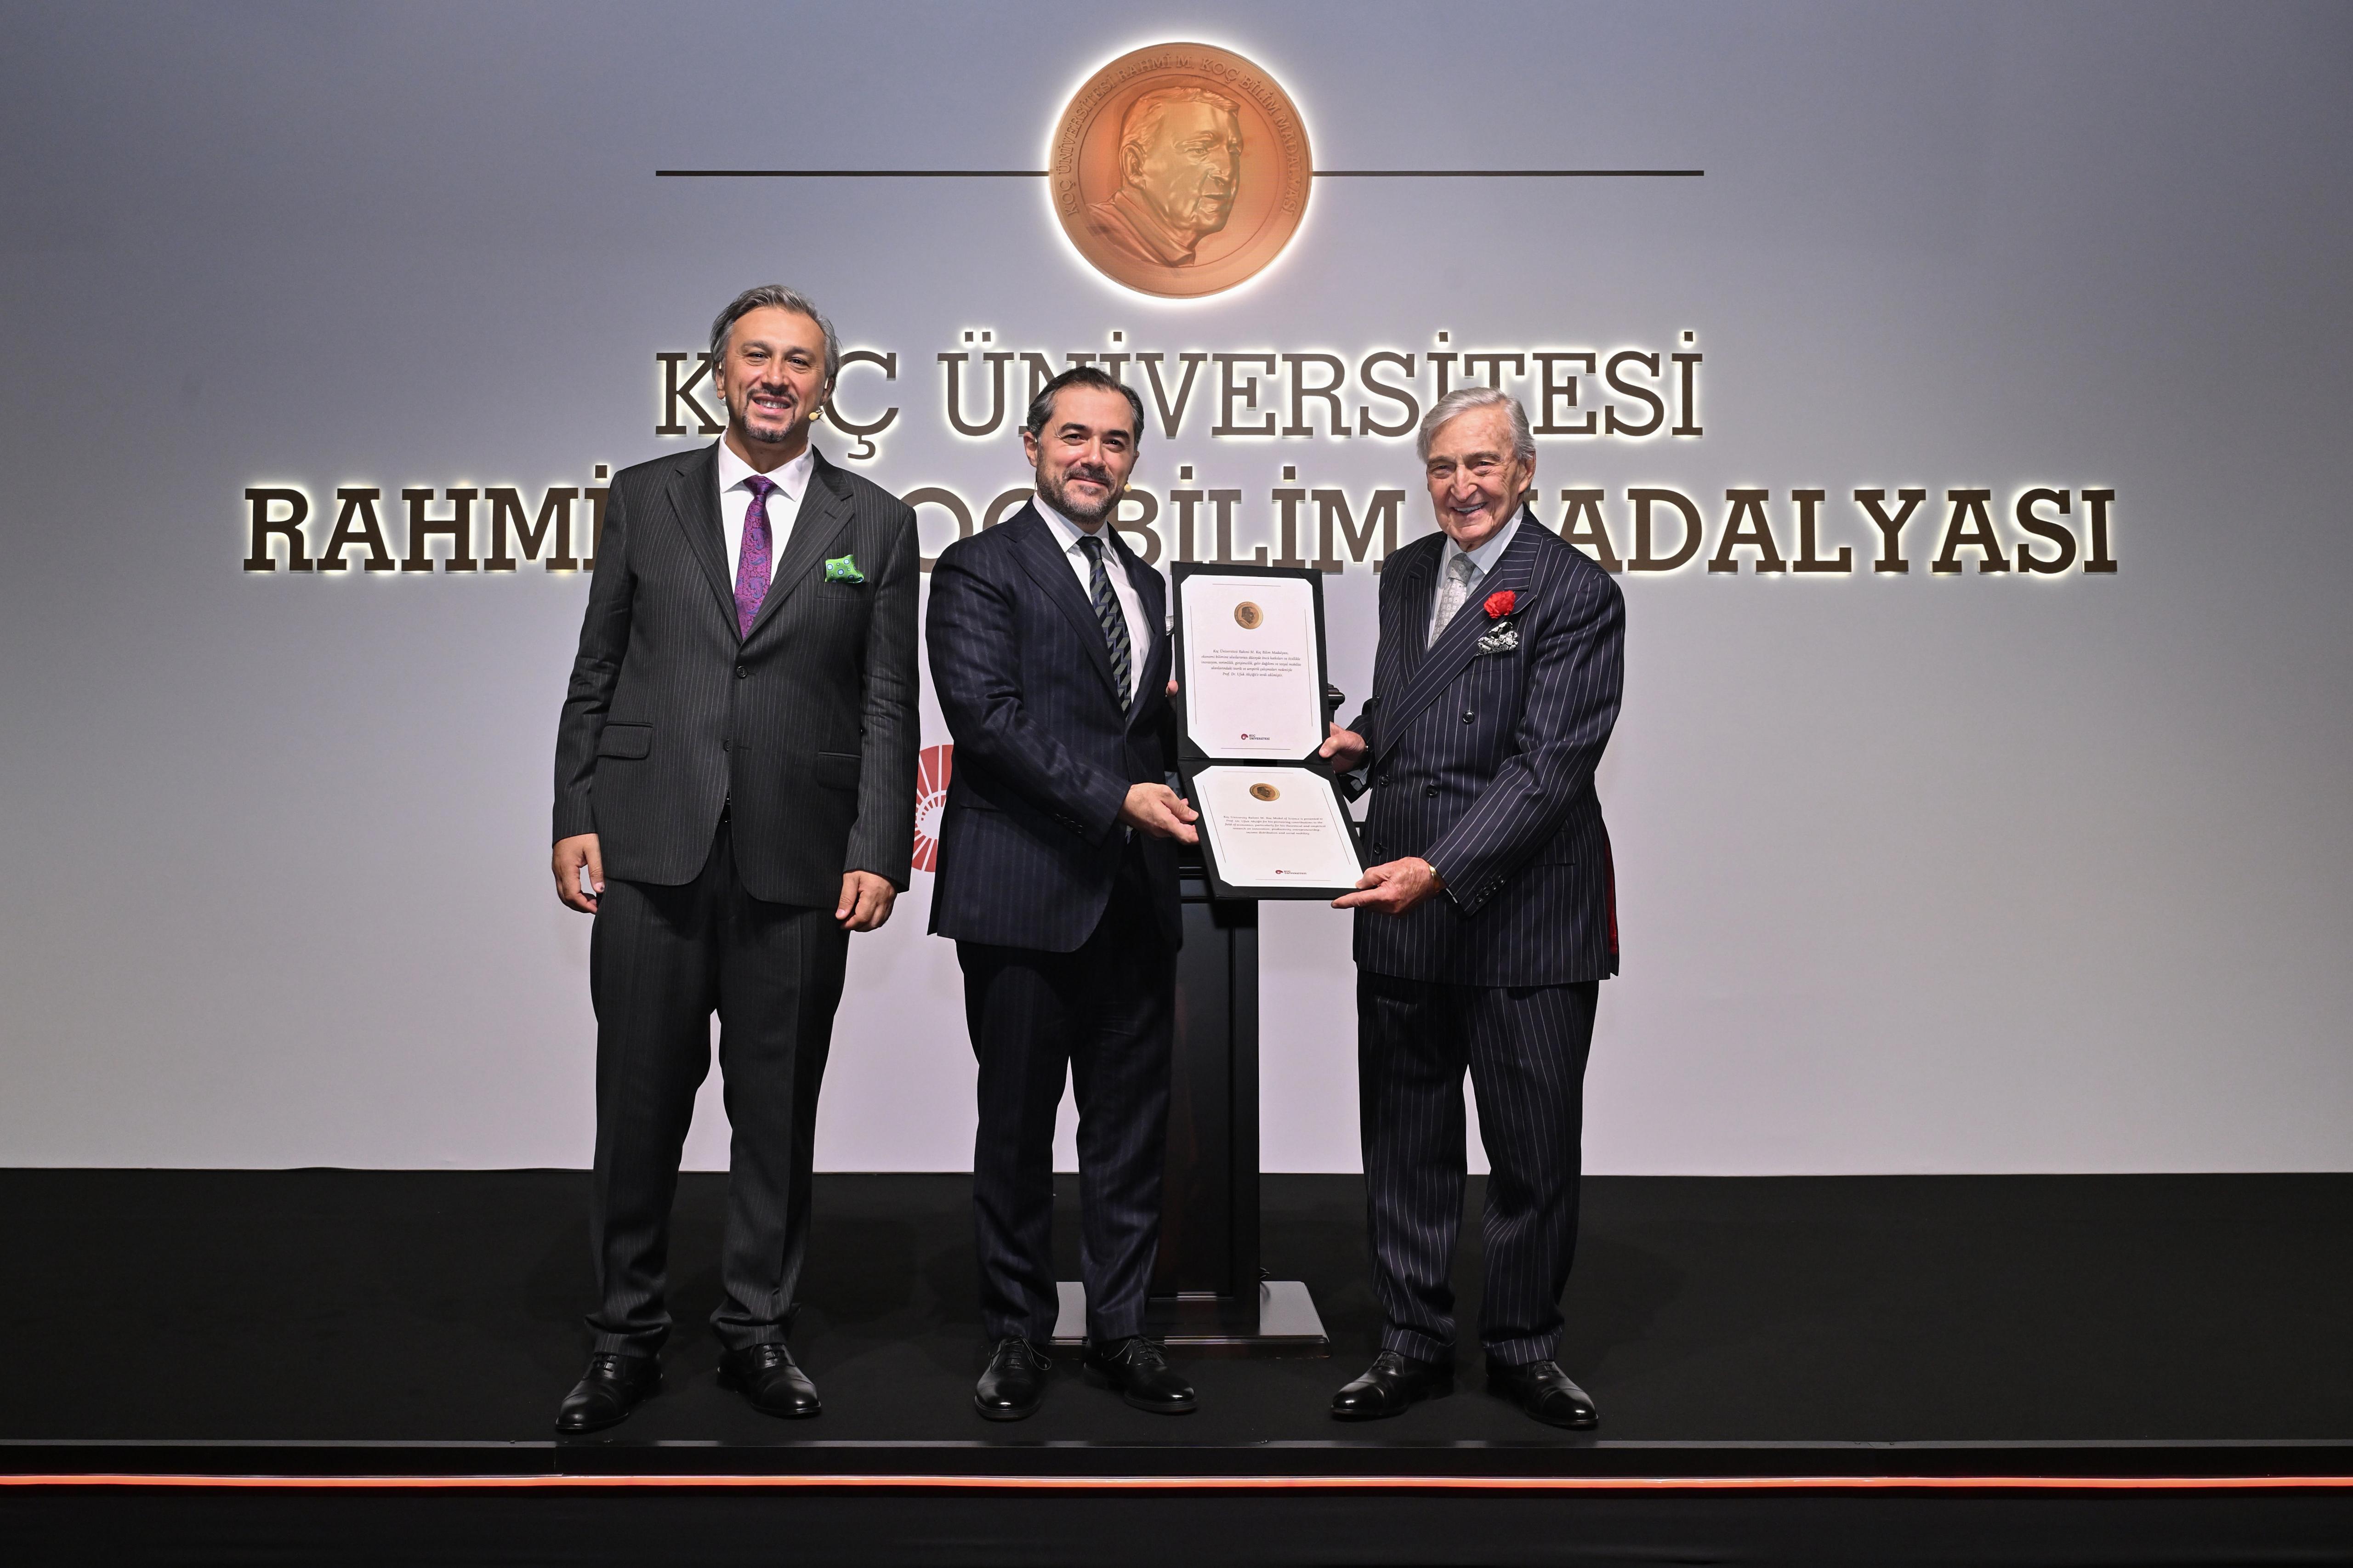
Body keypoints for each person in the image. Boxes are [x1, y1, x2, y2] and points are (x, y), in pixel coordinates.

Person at [546, 284, 919, 1433]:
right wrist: (573, 808)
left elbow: (887, 700)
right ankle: (624, 1337)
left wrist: (879, 845)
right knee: (637, 1109)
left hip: (799, 859)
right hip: (651, 841)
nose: (775, 377)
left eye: (798, 361)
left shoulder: (876, 522)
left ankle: (757, 1329)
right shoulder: (644, 496)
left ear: (826, 386)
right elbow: (598, 663)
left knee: (776, 1113)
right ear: (717, 373)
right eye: (756, 355)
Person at [1318, 386, 1625, 1430]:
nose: (1462, 486)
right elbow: (1405, 707)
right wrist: (1359, 742)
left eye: (1482, 464)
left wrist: (1440, 867)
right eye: (1443, 467)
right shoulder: (1406, 573)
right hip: (1402, 901)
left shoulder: (1575, 589)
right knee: (1405, 1140)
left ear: (1525, 471)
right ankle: (1409, 1341)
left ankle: (1524, 1348)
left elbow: (1551, 767)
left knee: (1532, 1151)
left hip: (1525, 910)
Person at [925, 366, 1199, 1421]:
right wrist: (1117, 797)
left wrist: (1285, 734)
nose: (1094, 456)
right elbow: (987, 718)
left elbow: (1155, 726)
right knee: (1016, 1126)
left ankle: (1122, 1329)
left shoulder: (1148, 582)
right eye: (1074, 435)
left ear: (1133, 459)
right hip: (1021, 890)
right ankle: (1016, 1330)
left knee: (1129, 1132)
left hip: (1133, 897)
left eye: (1115, 440)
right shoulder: (979, 567)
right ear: (1032, 444)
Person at [1085, 85, 1244, 268]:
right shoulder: (1091, 233)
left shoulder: (1171, 257)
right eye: (1199, 150)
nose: (1227, 173)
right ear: (1135, 166)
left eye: (1234, 152)